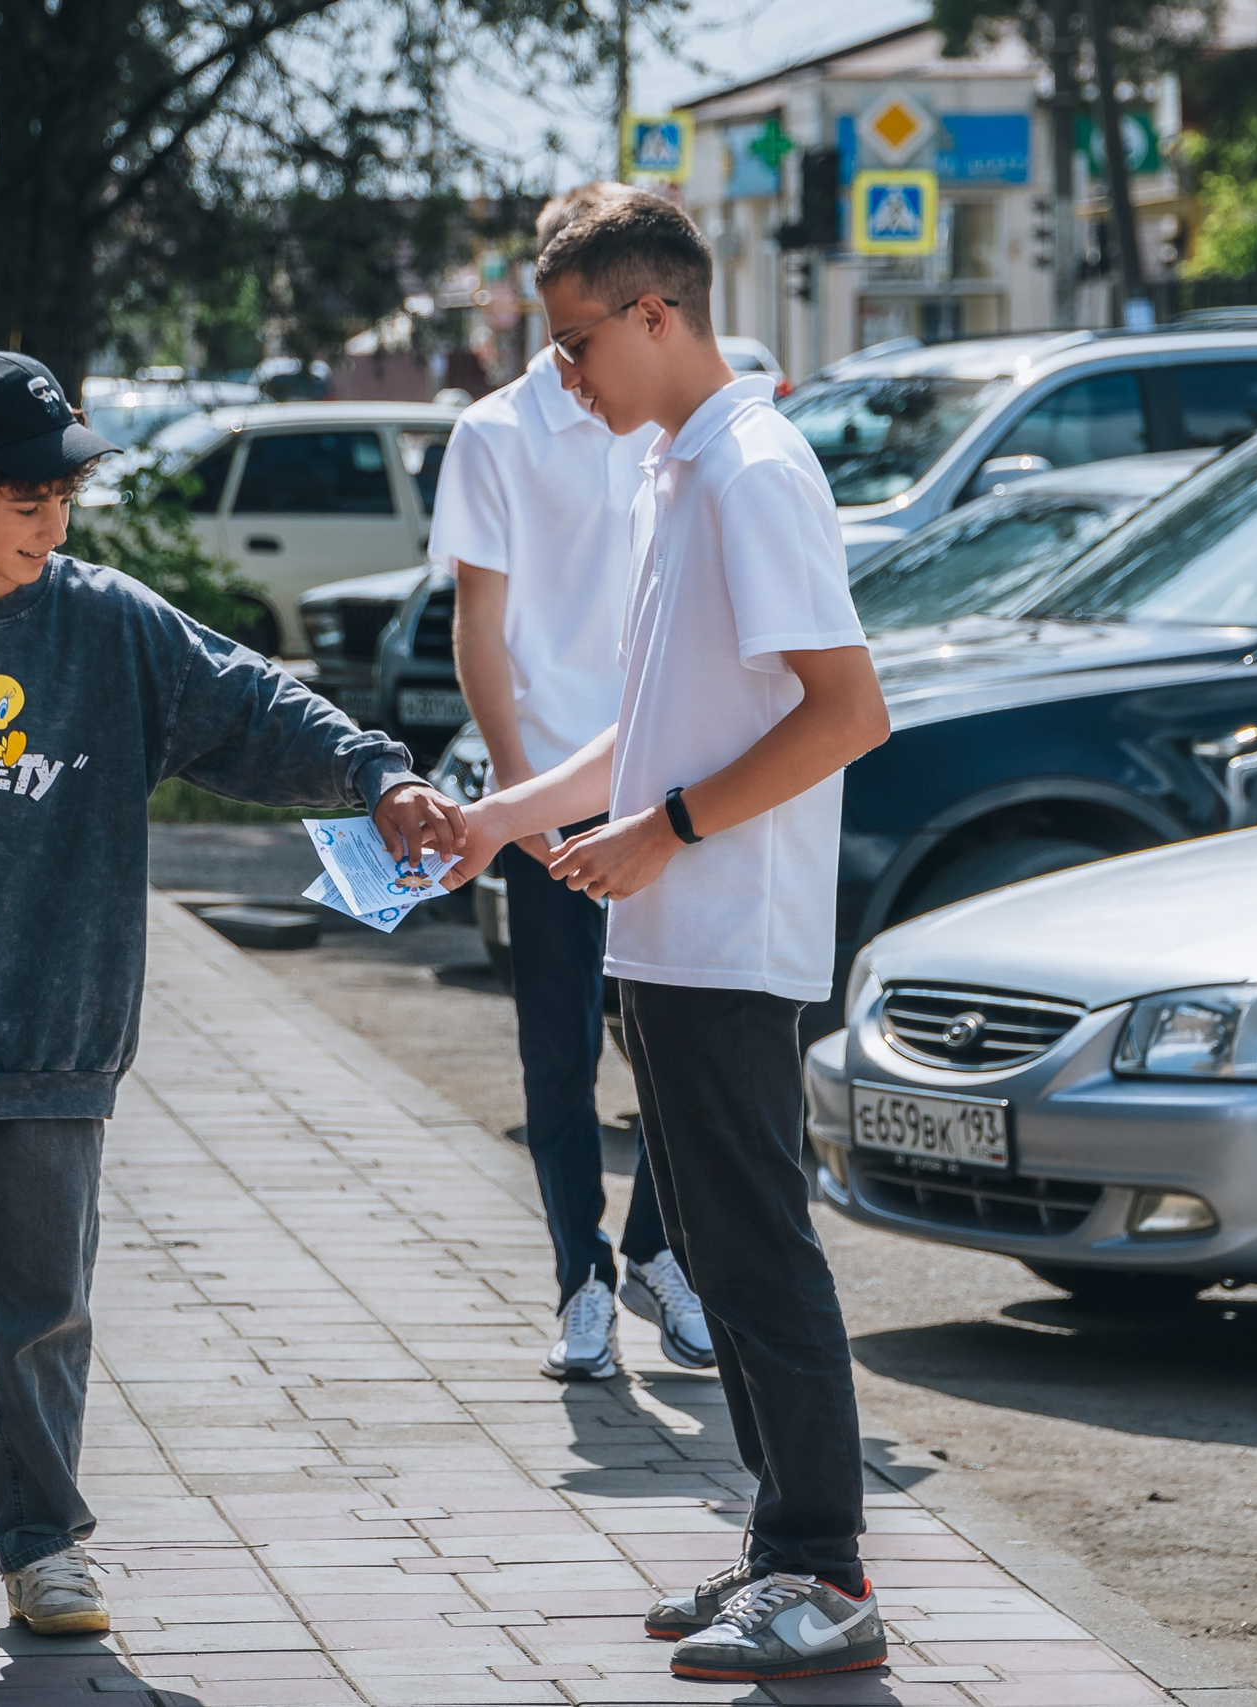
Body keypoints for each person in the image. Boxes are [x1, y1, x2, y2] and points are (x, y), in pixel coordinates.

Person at [0, 349, 464, 1645]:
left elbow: (254, 704)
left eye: (64, 490)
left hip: (55, 1035)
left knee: (45, 1306)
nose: (53, 517)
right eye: (25, 495)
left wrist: (377, 774)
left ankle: (43, 1542)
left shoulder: (109, 624)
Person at [444, 194, 893, 1684]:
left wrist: (669, 832)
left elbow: (846, 713)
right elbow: (649, 727)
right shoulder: (670, 470)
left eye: (577, 342)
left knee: (756, 1249)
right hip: (667, 931)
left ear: (657, 314)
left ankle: (826, 1567)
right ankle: (782, 1547)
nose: (563, 375)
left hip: (727, 929)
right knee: (706, 1237)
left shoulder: (753, 471)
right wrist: (508, 811)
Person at [437, 182, 711, 1384]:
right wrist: (511, 793)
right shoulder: (495, 433)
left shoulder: (673, 417)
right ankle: (578, 1281)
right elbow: (477, 623)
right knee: (559, 1053)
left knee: (677, 1041)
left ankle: (657, 1253)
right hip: (553, 787)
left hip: (670, 785)